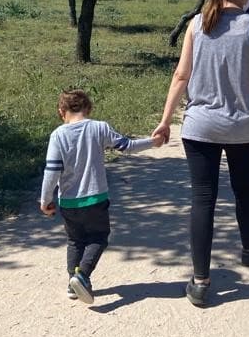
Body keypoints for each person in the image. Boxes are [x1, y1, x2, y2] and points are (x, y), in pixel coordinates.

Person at [153, 0, 249, 307]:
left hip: (200, 125)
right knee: (244, 191)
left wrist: (165, 120)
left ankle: (201, 280)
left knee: (202, 200)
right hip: (242, 126)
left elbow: (180, 76)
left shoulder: (197, 23)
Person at [39, 89, 162, 304]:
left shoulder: (57, 135)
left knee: (74, 240)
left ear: (61, 112)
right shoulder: (99, 128)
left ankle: (72, 284)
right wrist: (153, 141)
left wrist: (45, 200)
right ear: (88, 109)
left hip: (68, 201)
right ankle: (82, 275)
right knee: (98, 237)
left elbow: (52, 170)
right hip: (95, 199)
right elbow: (128, 146)